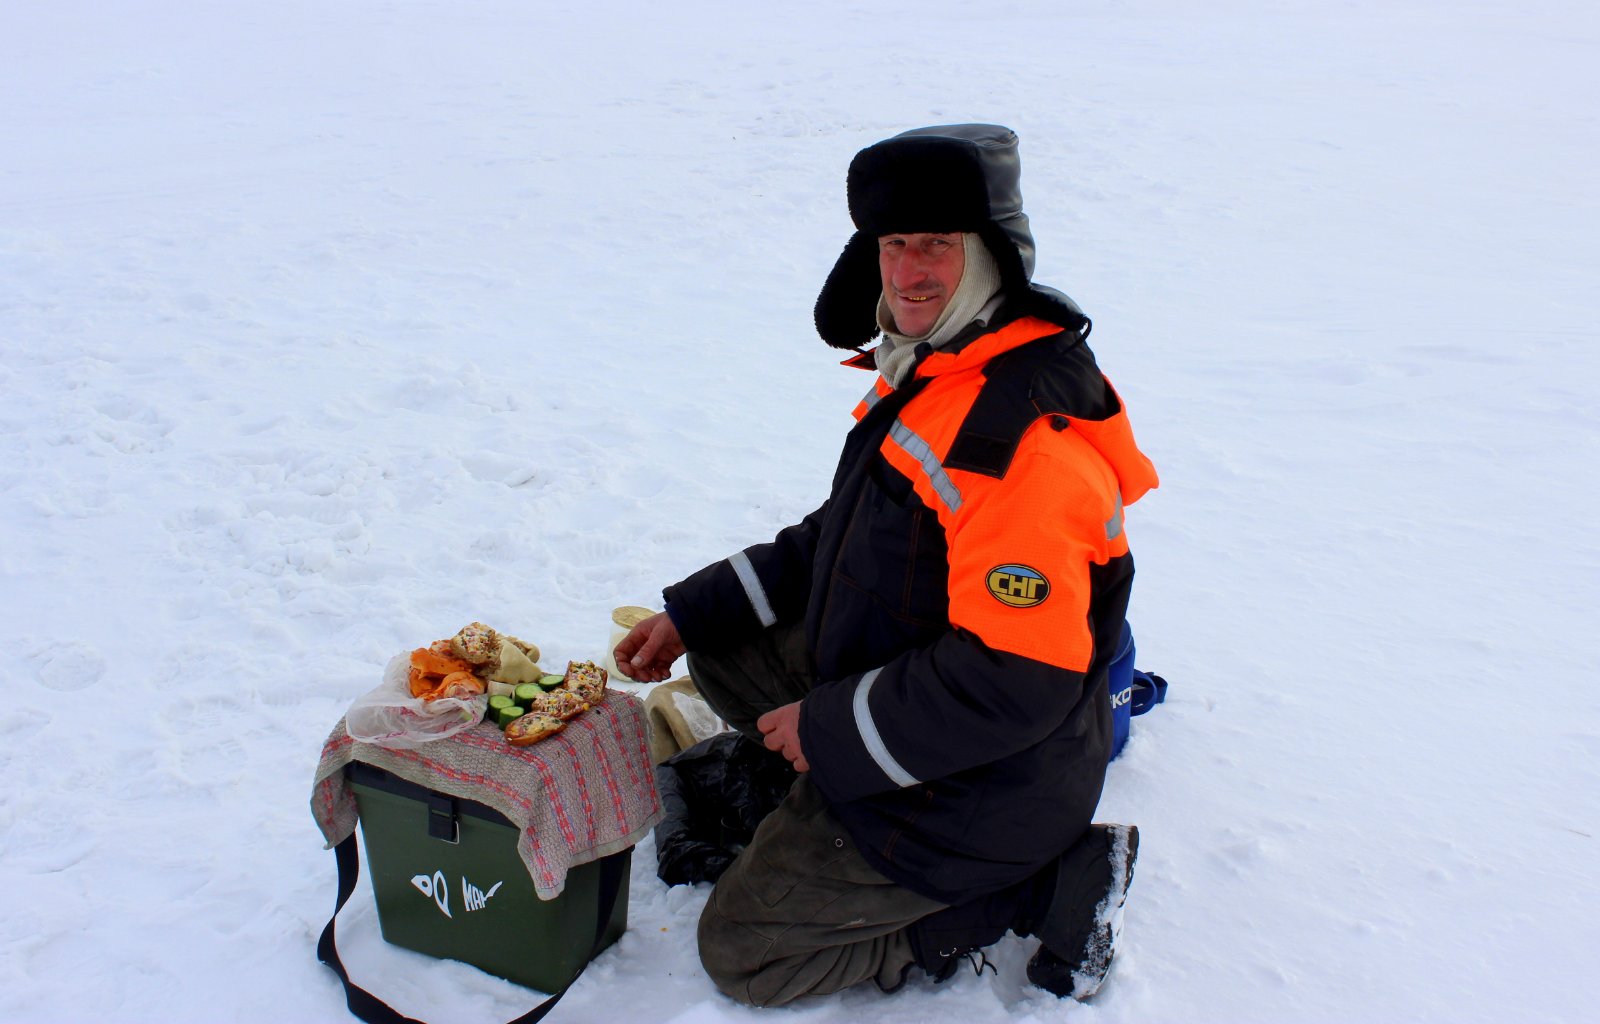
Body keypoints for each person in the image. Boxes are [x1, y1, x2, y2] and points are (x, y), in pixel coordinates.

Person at [615, 124, 1159, 1006]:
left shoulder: (1021, 443)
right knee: (725, 644)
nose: (909, 271)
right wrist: (696, 611)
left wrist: (828, 730)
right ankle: (820, 781)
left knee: (748, 954)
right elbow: (845, 533)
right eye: (894, 243)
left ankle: (1044, 887)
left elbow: (1015, 679)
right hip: (919, 696)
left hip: (988, 780)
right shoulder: (942, 366)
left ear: (986, 256)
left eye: (937, 244)